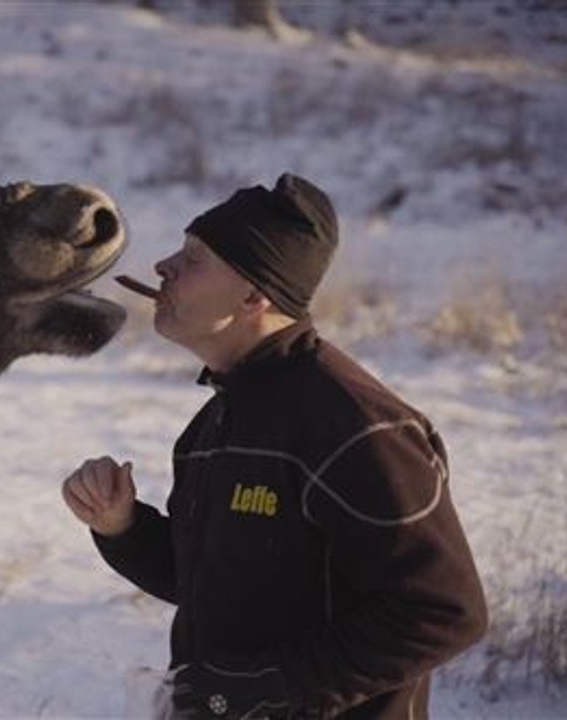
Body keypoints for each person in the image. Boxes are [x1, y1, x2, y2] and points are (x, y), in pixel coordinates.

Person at [62, 174, 488, 719]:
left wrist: (269, 684)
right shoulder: (215, 423)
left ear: (253, 295)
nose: (164, 267)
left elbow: (445, 611)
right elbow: (214, 584)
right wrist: (121, 526)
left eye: (194, 259)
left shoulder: (354, 426)